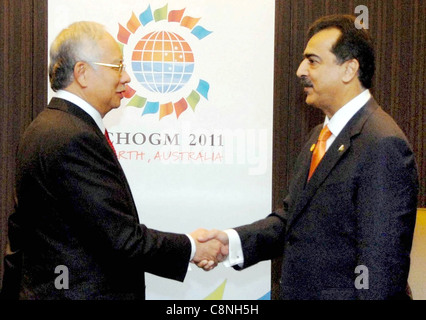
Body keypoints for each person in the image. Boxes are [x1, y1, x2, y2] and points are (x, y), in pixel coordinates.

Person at [198, 14, 419, 300]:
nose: (301, 69)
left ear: (349, 69)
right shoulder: (320, 135)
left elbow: (380, 270)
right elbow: (293, 219)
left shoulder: (382, 144)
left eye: (313, 61)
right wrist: (232, 243)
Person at [1, 21, 222, 300]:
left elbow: (19, 236)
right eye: (117, 67)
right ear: (82, 73)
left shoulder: (47, 127)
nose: (127, 78)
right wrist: (193, 248)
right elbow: (121, 239)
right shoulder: (72, 137)